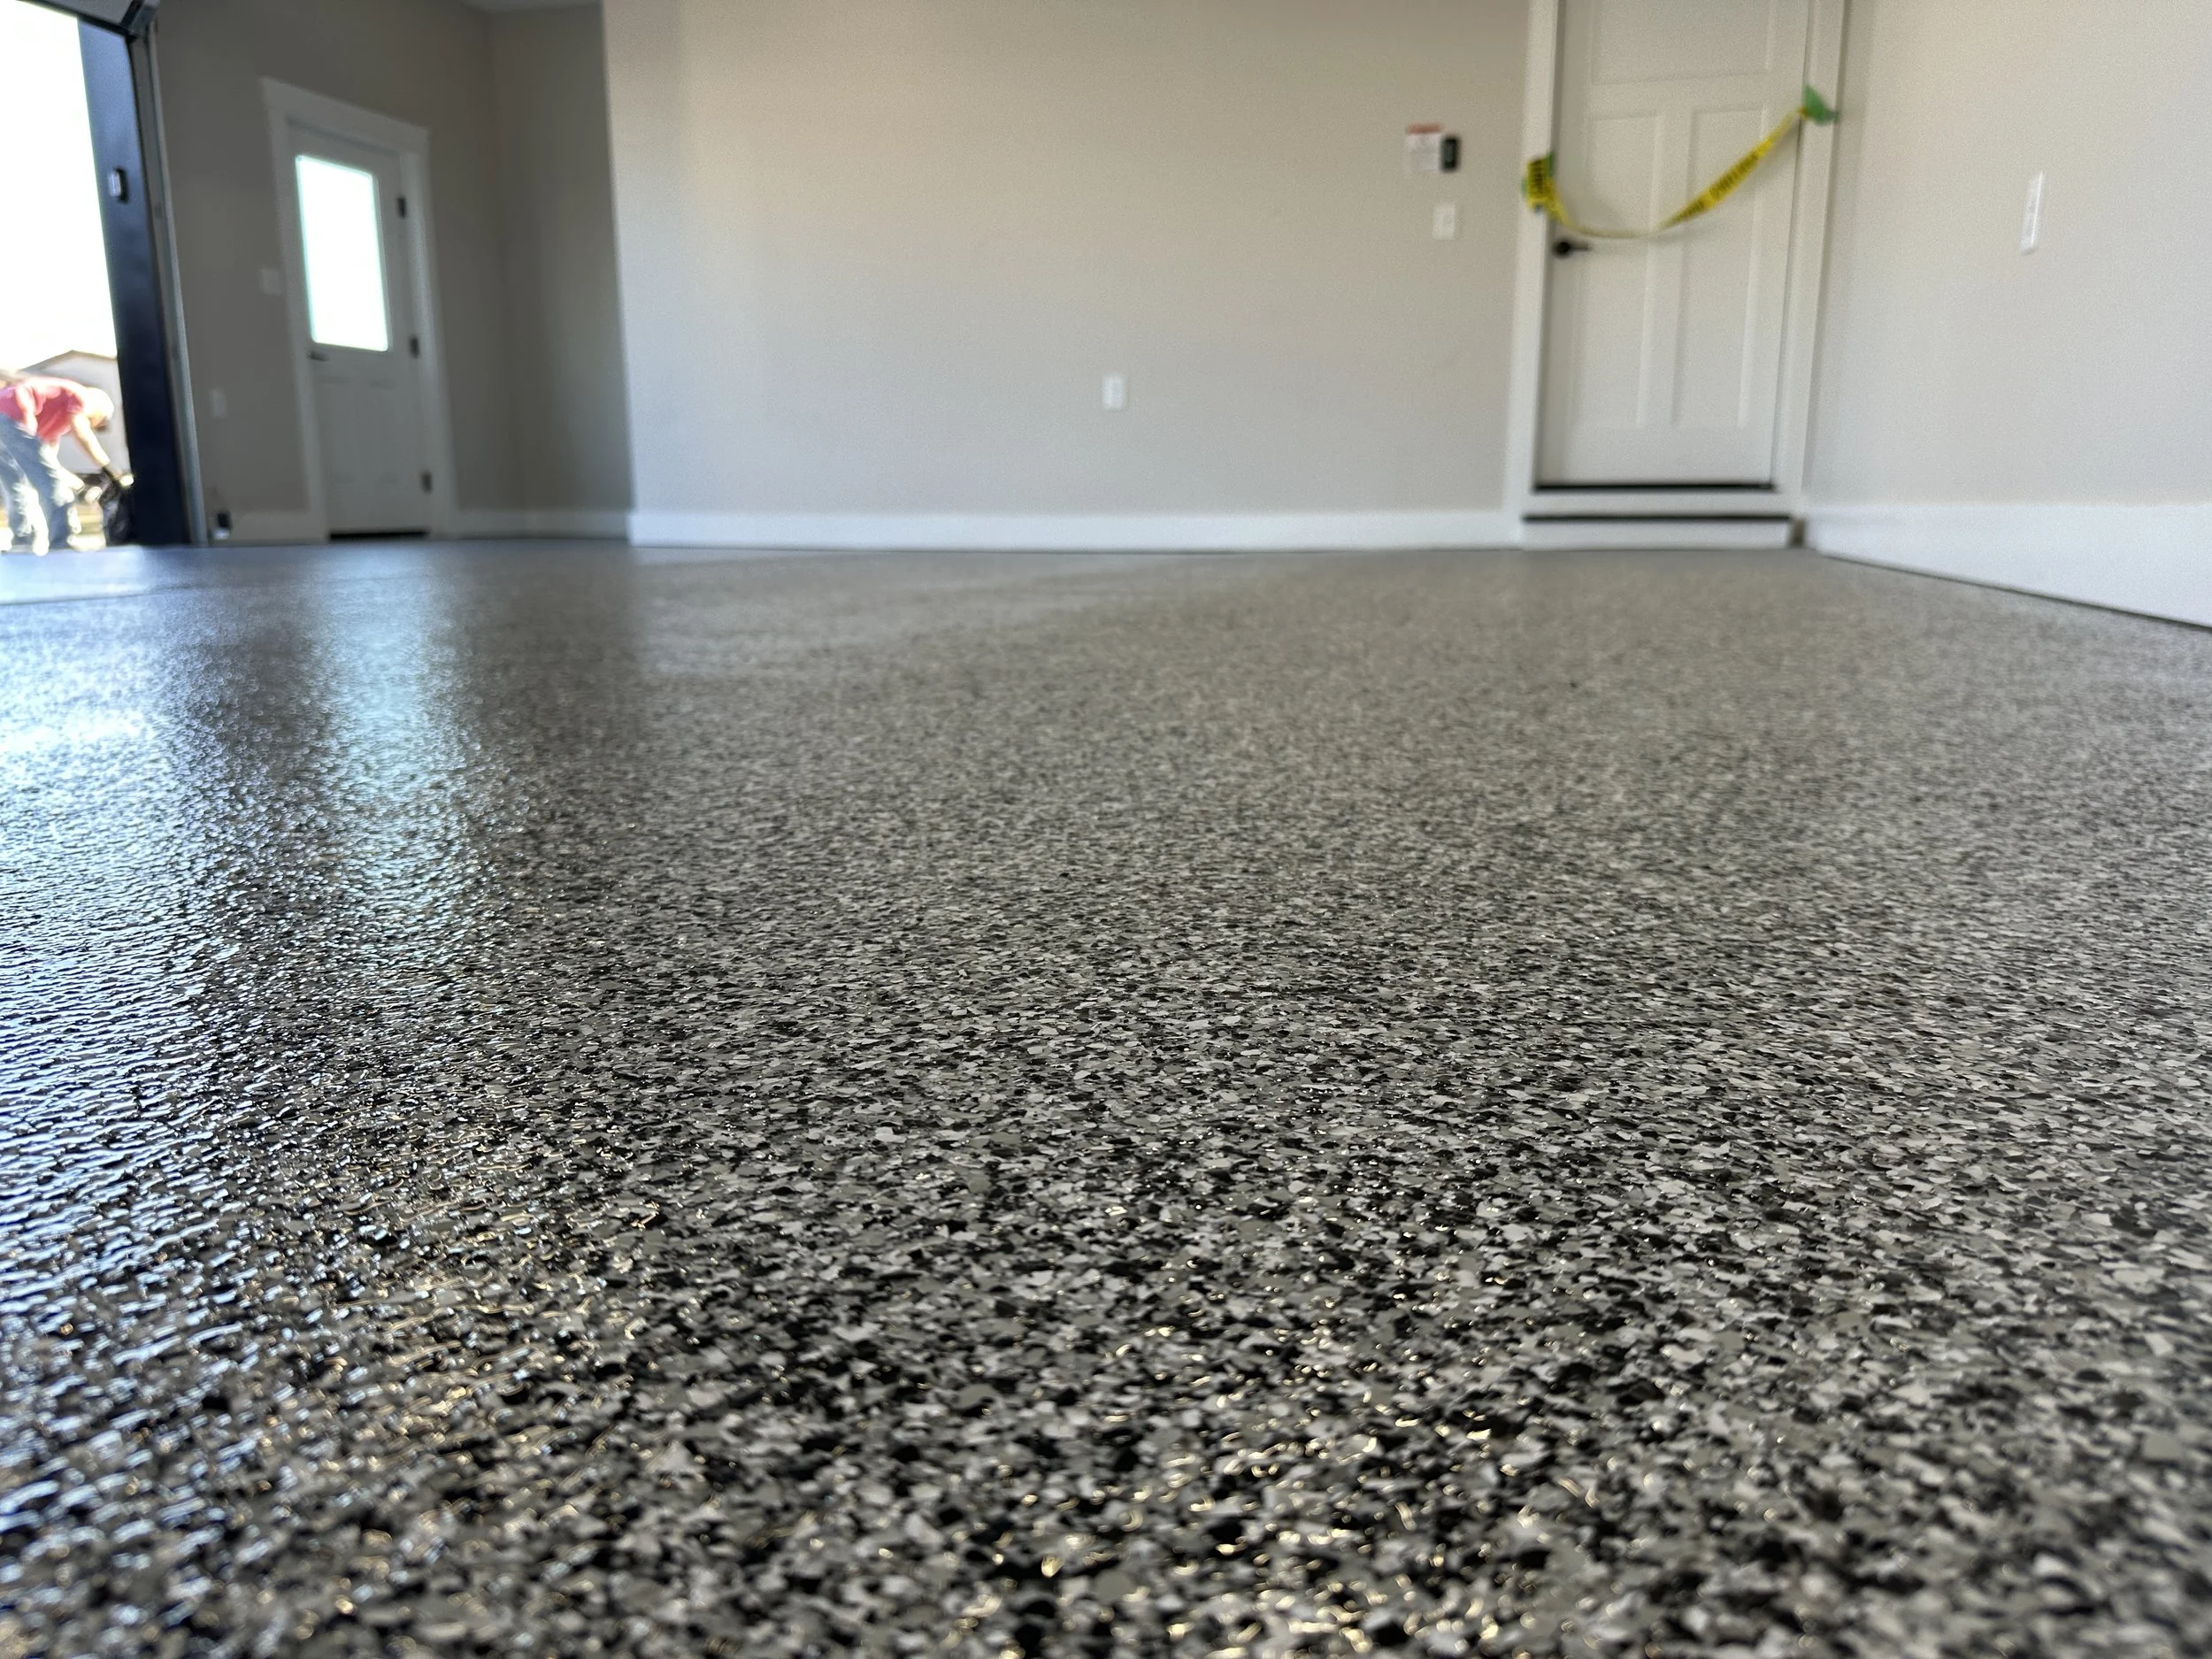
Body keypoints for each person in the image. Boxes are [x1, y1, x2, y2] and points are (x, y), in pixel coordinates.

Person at [0, 370, 129, 554]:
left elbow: (53, 466)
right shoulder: (81, 395)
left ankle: (22, 543)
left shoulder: (52, 422)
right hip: (13, 415)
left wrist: (81, 487)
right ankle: (62, 542)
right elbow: (82, 434)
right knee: (53, 486)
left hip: (6, 416)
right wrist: (109, 469)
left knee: (17, 486)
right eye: (100, 422)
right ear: (99, 410)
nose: (96, 426)